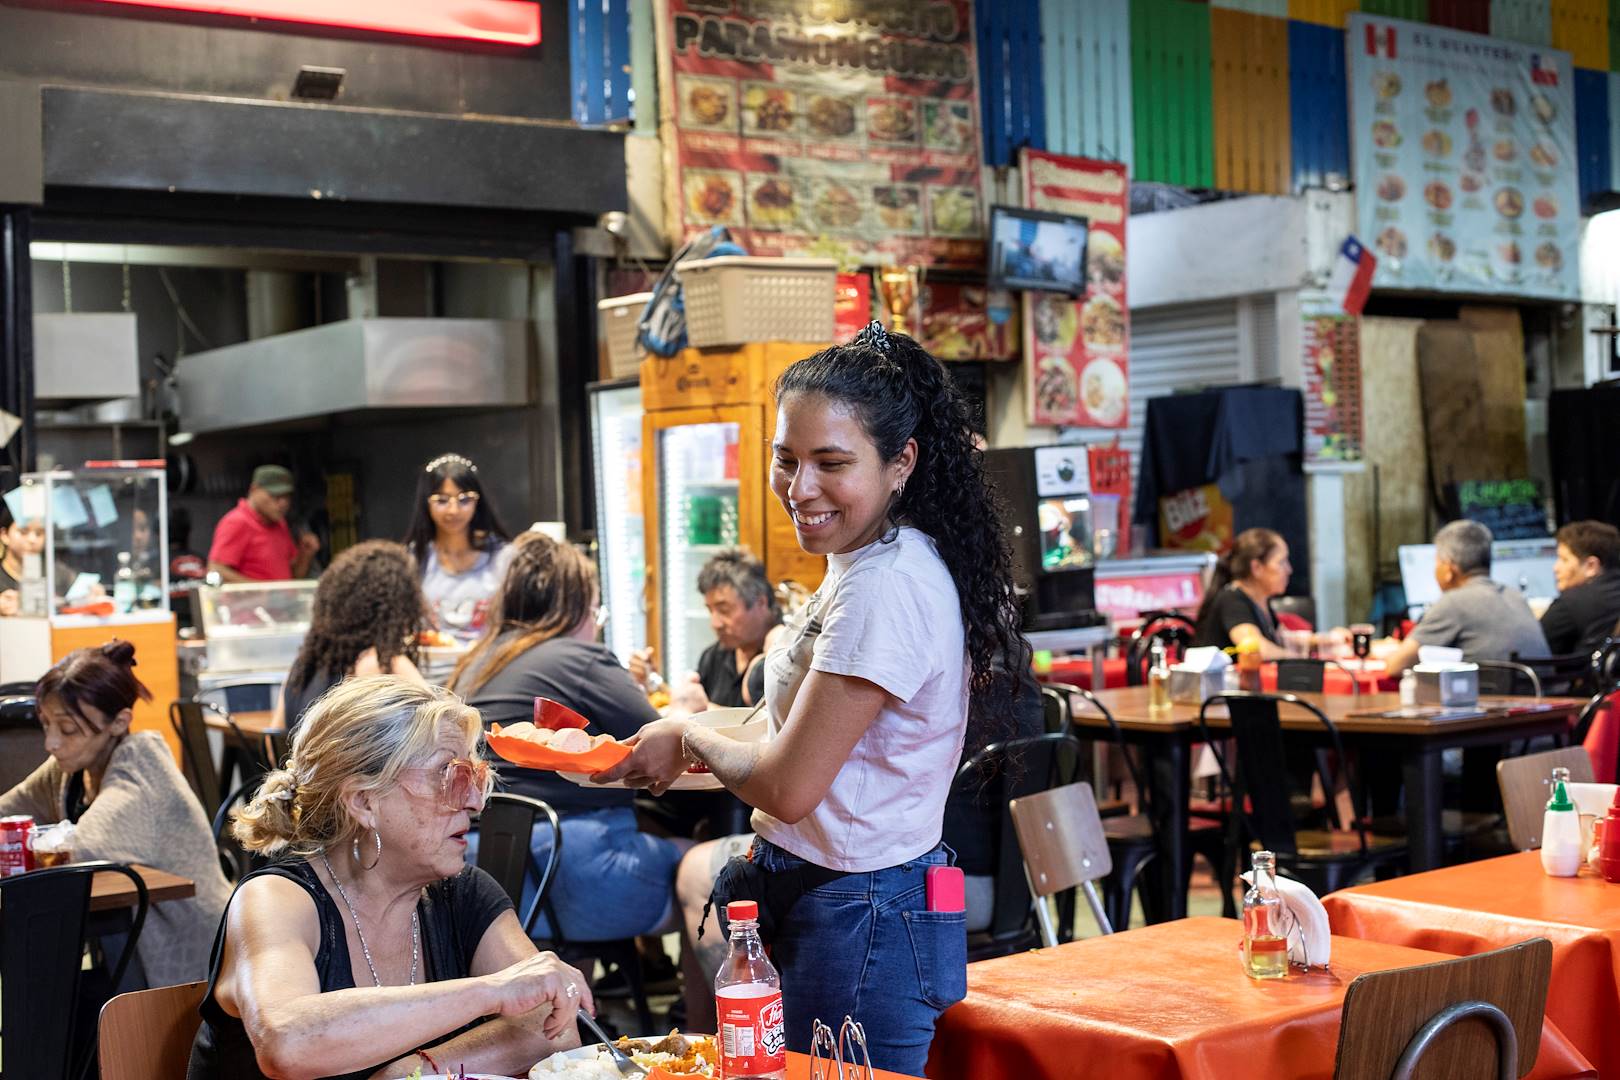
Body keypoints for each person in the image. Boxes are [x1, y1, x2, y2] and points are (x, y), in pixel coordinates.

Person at [597, 322, 1027, 1074]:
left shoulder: (886, 587)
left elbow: (788, 785)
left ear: (902, 464)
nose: (799, 489)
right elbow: (789, 733)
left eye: (831, 463)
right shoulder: (864, 560)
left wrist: (691, 734)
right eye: (785, 459)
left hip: (864, 916)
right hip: (844, 901)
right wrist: (684, 734)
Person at [188, 676, 592, 1079]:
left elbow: (554, 1028)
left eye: (476, 779)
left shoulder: (463, 892)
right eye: (450, 777)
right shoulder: (275, 899)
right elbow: (288, 1042)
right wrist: (493, 991)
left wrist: (414, 1071)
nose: (473, 802)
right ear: (364, 801)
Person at [447, 532, 690, 942]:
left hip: (484, 876)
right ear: (579, 608)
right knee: (707, 867)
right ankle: (706, 1007)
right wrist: (685, 708)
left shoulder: (477, 662)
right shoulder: (581, 658)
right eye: (597, 611)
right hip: (571, 873)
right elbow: (666, 746)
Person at [0, 640, 232, 986]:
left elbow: (87, 849)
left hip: (195, 960)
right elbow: (9, 809)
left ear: (119, 722)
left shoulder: (141, 770)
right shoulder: (72, 767)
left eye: (68, 730)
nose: (50, 743)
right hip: (126, 946)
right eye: (46, 724)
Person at [274, 540, 427, 733]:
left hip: (300, 764)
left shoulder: (302, 668)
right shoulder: (384, 665)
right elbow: (440, 731)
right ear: (396, 607)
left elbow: (274, 744)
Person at [1384, 520, 1550, 675]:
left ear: (1449, 569)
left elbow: (1396, 666)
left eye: (1437, 562)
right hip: (1547, 698)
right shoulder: (1515, 596)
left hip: (1498, 701)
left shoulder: (1454, 602)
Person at [628, 547, 782, 709]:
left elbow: (769, 726)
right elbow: (690, 704)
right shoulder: (714, 656)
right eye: (710, 610)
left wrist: (703, 710)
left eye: (724, 610)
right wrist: (650, 680)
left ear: (760, 603)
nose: (715, 623)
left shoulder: (785, 659)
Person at [404, 453, 515, 644]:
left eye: (464, 499)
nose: (453, 510)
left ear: (477, 502)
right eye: (442, 500)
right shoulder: (413, 559)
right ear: (426, 502)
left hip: (491, 667)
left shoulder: (504, 556)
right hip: (428, 670)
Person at [1191, 527, 1298, 657]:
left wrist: (1324, 640)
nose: (1289, 570)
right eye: (1281, 562)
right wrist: (1300, 661)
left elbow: (1284, 638)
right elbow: (1255, 649)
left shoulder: (1260, 600)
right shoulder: (1232, 600)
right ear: (1257, 568)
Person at [207, 464, 320, 583]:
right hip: (251, 601)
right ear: (254, 490)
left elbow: (293, 576)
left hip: (283, 601)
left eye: (286, 497)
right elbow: (216, 571)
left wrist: (306, 554)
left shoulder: (280, 524)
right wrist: (263, 592)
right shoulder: (237, 522)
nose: (283, 503)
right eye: (275, 496)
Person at [1539, 520, 1620, 657]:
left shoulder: (1570, 604)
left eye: (1564, 560)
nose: (1556, 568)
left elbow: (1532, 647)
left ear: (1591, 566)